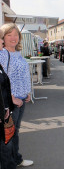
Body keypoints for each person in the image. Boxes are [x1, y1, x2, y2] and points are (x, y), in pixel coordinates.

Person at [0, 23, 33, 167]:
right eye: (9, 35)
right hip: (11, 100)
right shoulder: (2, 54)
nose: (14, 38)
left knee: (15, 132)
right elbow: (2, 80)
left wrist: (28, 92)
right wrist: (12, 97)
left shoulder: (18, 53)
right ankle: (10, 163)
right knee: (7, 135)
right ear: (3, 37)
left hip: (22, 98)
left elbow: (24, 75)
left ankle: (16, 159)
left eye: (16, 35)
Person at [0, 29, 16, 169]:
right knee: (6, 145)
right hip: (2, 113)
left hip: (5, 110)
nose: (2, 41)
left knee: (7, 142)